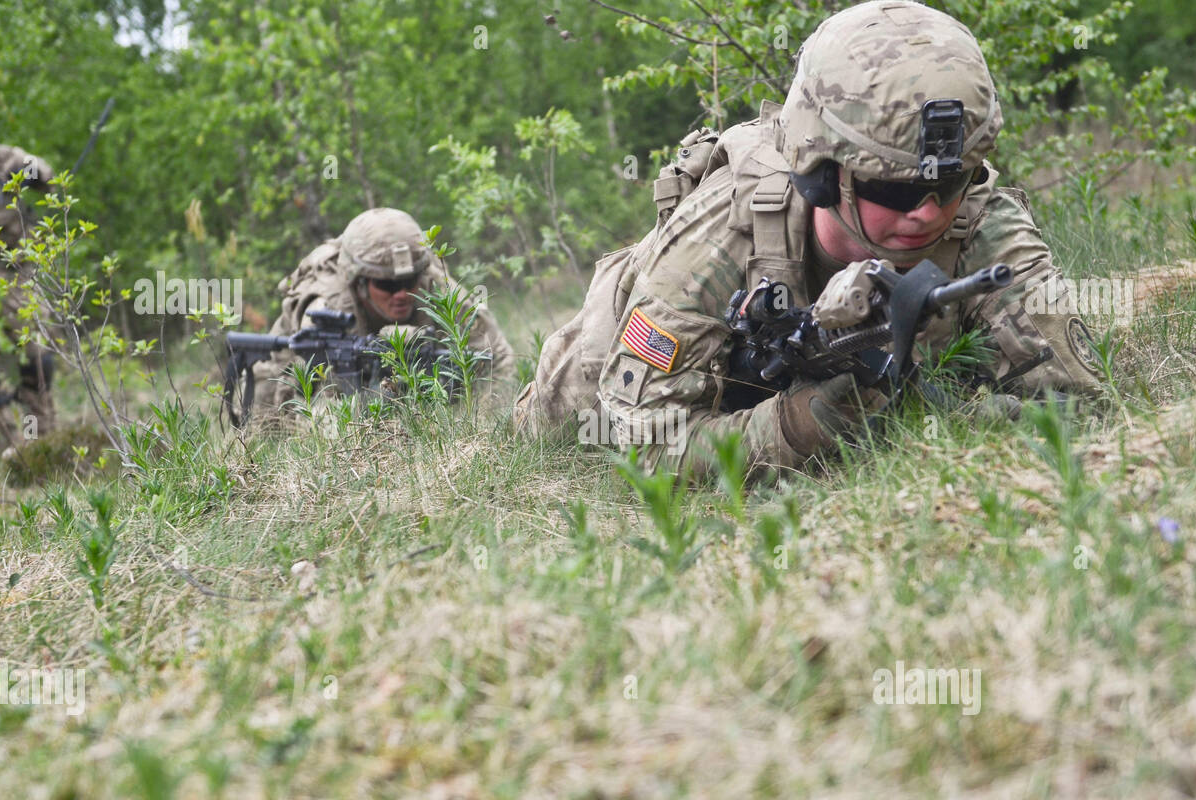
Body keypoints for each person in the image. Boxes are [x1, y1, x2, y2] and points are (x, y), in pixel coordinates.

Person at [514, 0, 1103, 475]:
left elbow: (1075, 405)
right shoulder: (723, 232)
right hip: (603, 368)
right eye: (894, 191)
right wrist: (795, 427)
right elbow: (641, 444)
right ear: (825, 174)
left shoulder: (984, 223)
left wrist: (925, 411)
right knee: (558, 433)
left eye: (952, 182)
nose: (926, 213)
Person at [248, 207, 516, 423]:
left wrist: (489, 420)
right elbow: (311, 411)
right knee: (265, 422)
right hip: (289, 382)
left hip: (392, 384)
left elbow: (498, 357)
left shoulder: (436, 284)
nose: (401, 294)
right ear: (359, 282)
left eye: (409, 281)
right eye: (386, 285)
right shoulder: (327, 309)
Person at [0, 140, 57, 448]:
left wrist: (27, 173)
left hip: (15, 267)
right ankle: (12, 440)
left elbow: (43, 171)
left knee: (37, 355)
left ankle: (36, 438)